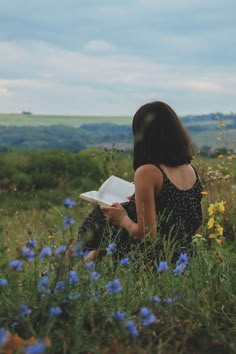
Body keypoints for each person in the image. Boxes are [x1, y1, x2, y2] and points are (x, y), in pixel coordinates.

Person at [68, 101, 203, 263]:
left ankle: (68, 268)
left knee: (100, 214)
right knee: (120, 211)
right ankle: (90, 258)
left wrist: (122, 219)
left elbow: (147, 234)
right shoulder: (190, 169)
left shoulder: (148, 172)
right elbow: (195, 225)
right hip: (182, 254)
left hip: (155, 256)